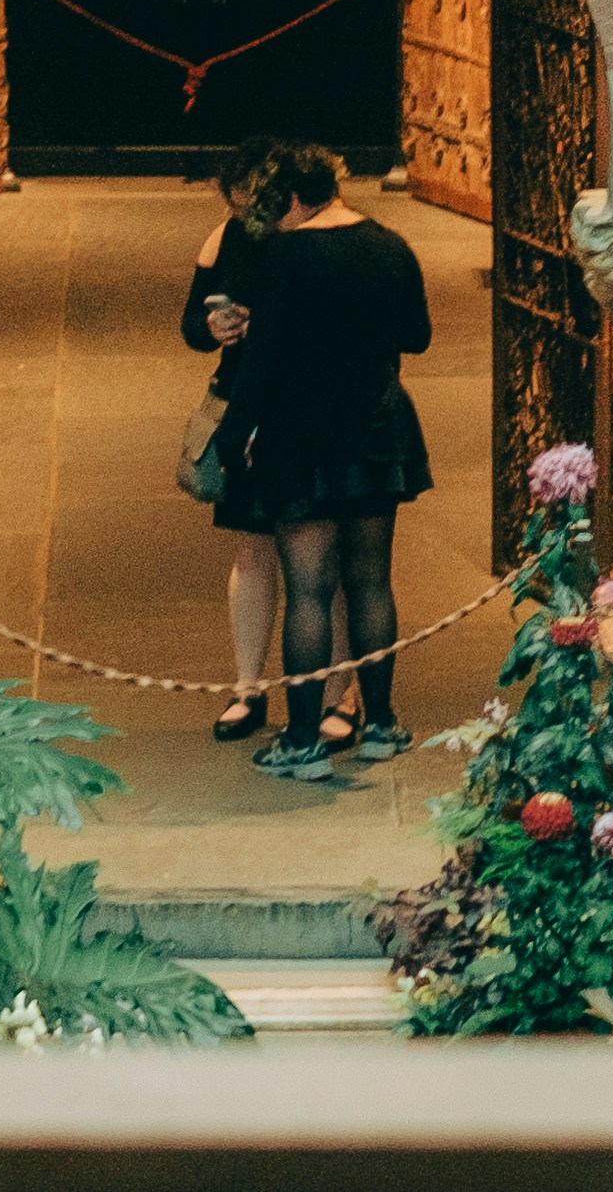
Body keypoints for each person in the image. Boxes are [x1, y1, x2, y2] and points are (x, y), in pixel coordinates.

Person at [203, 139, 433, 783]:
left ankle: (302, 739)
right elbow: (417, 335)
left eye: (279, 206)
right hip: (376, 425)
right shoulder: (390, 244)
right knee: (370, 582)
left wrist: (233, 435)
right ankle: (382, 724)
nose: (274, 219)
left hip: (300, 436)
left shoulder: (287, 254)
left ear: (299, 199)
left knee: (307, 588)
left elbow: (263, 358)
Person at [180, 151, 285, 740]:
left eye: (250, 198)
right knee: (252, 552)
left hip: (301, 405)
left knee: (328, 560)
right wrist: (213, 327)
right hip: (240, 399)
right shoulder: (224, 237)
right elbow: (191, 323)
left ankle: (338, 695)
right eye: (233, 200)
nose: (242, 210)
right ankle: (248, 688)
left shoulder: (307, 236)